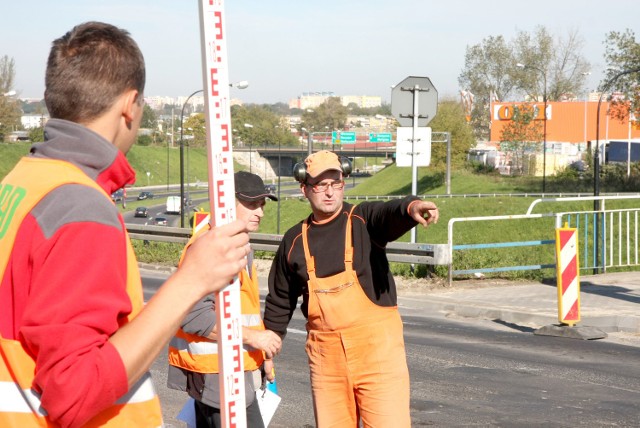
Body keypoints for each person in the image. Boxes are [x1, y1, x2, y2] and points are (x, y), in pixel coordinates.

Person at [0, 22, 250, 428]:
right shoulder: (78, 206)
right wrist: (192, 280)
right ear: (131, 106)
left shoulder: (19, 184)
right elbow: (75, 391)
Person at [263, 150, 439, 427]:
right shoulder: (294, 240)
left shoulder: (364, 220)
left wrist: (411, 208)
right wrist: (268, 348)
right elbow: (280, 299)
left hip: (378, 357)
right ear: (305, 189)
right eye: (321, 185)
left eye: (336, 183)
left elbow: (389, 213)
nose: (330, 192)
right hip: (327, 364)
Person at [168, 171, 283, 428]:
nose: (260, 212)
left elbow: (244, 307)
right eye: (252, 204)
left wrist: (262, 354)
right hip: (218, 377)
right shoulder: (213, 246)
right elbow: (194, 315)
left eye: (262, 204)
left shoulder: (236, 243)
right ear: (226, 203)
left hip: (229, 370)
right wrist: (254, 338)